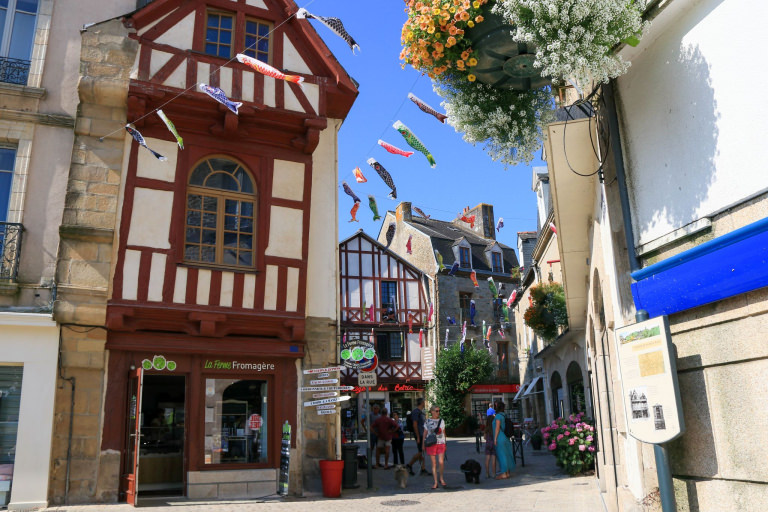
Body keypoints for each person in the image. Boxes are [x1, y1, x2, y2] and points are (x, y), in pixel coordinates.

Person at [423, 405, 447, 489]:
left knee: (441, 462)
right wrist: (423, 444)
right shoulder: (427, 421)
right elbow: (425, 433)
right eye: (436, 411)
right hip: (431, 443)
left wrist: (445, 443)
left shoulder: (442, 421)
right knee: (434, 463)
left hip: (441, 442)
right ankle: (435, 482)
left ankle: (441, 478)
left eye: (439, 411)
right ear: (432, 411)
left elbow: (444, 432)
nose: (438, 412)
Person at [405, 398, 430, 476]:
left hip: (422, 434)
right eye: (424, 402)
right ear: (422, 402)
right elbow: (415, 424)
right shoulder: (416, 412)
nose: (425, 403)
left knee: (422, 452)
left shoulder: (420, 412)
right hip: (419, 435)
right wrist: (418, 437)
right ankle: (409, 465)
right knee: (420, 452)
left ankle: (422, 469)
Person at [493, 400, 515, 479]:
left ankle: (504, 474)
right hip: (506, 437)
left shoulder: (498, 416)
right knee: (507, 454)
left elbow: (497, 428)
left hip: (500, 437)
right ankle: (507, 472)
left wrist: (495, 439)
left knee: (501, 455)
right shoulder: (504, 415)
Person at [484, 410, 497, 478]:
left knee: (487, 459)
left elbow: (484, 437)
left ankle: (487, 473)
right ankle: (494, 473)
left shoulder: (486, 428)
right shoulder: (494, 428)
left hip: (488, 444)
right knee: (493, 459)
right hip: (494, 444)